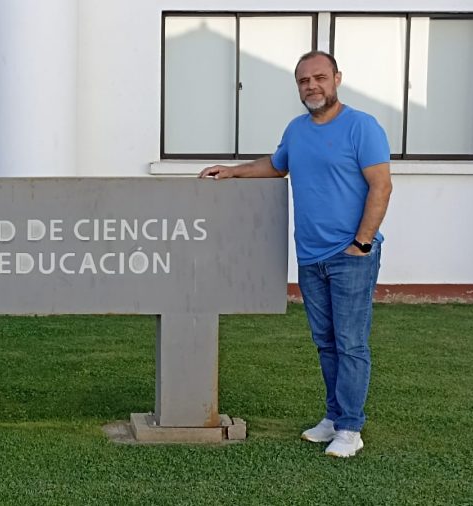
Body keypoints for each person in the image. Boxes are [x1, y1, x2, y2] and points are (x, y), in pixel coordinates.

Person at [199, 50, 392, 458]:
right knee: (325, 342)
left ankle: (350, 429)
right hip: (310, 257)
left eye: (320, 77)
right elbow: (276, 164)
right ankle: (334, 417)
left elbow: (381, 186)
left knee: (351, 343)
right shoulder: (297, 130)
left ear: (337, 78)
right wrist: (232, 171)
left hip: (350, 255)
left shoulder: (362, 127)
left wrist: (362, 243)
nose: (312, 86)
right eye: (304, 80)